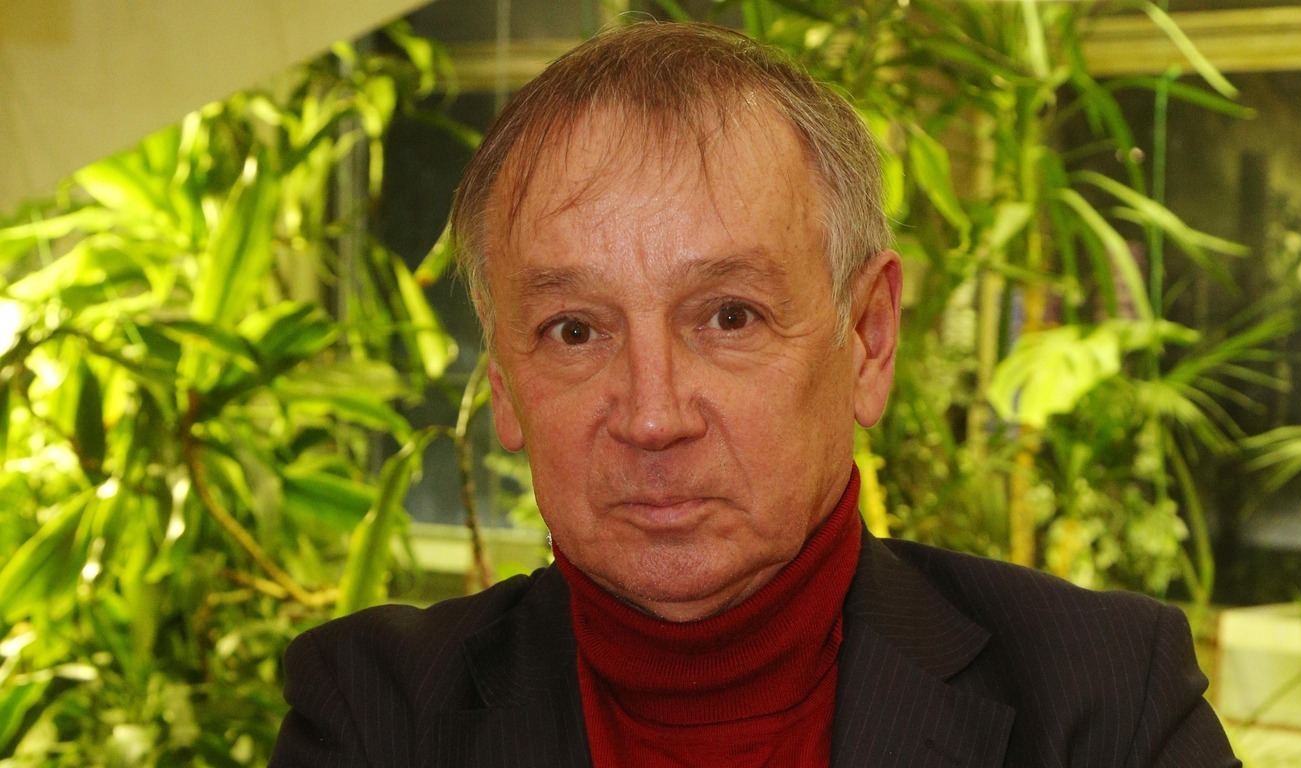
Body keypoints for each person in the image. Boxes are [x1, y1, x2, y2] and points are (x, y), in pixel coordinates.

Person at [270, 21, 1240, 767]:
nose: (654, 416)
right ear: (503, 381)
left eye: (728, 316)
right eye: (574, 330)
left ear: (868, 340)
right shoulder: (376, 715)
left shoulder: (1101, 705)